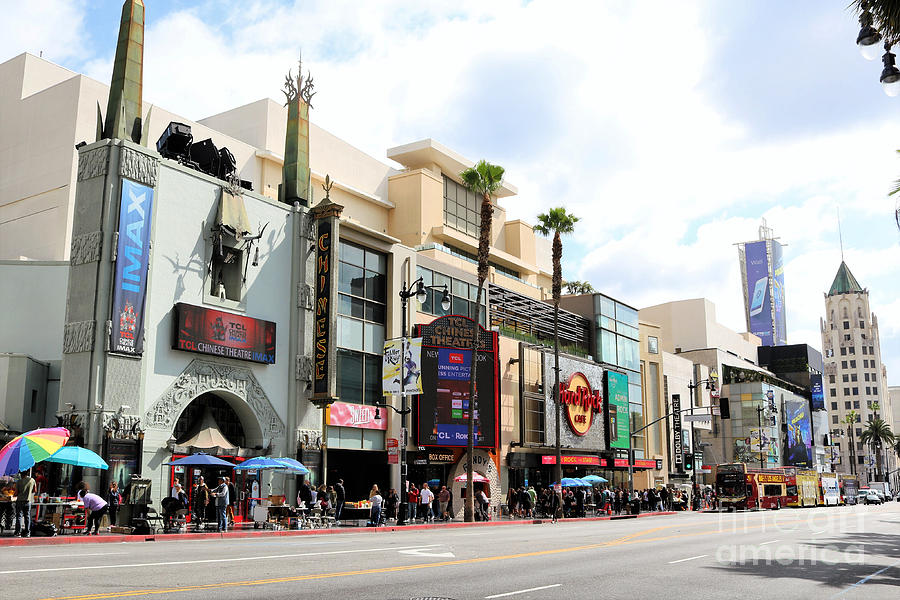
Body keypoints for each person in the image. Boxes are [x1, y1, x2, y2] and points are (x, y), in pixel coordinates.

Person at [14, 470, 35, 538]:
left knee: (19, 517)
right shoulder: (32, 480)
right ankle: (27, 532)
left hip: (20, 501)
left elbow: (16, 493)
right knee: (27, 517)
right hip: (28, 501)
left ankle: (18, 532)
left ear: (21, 474)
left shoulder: (19, 482)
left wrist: (14, 495)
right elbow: (35, 490)